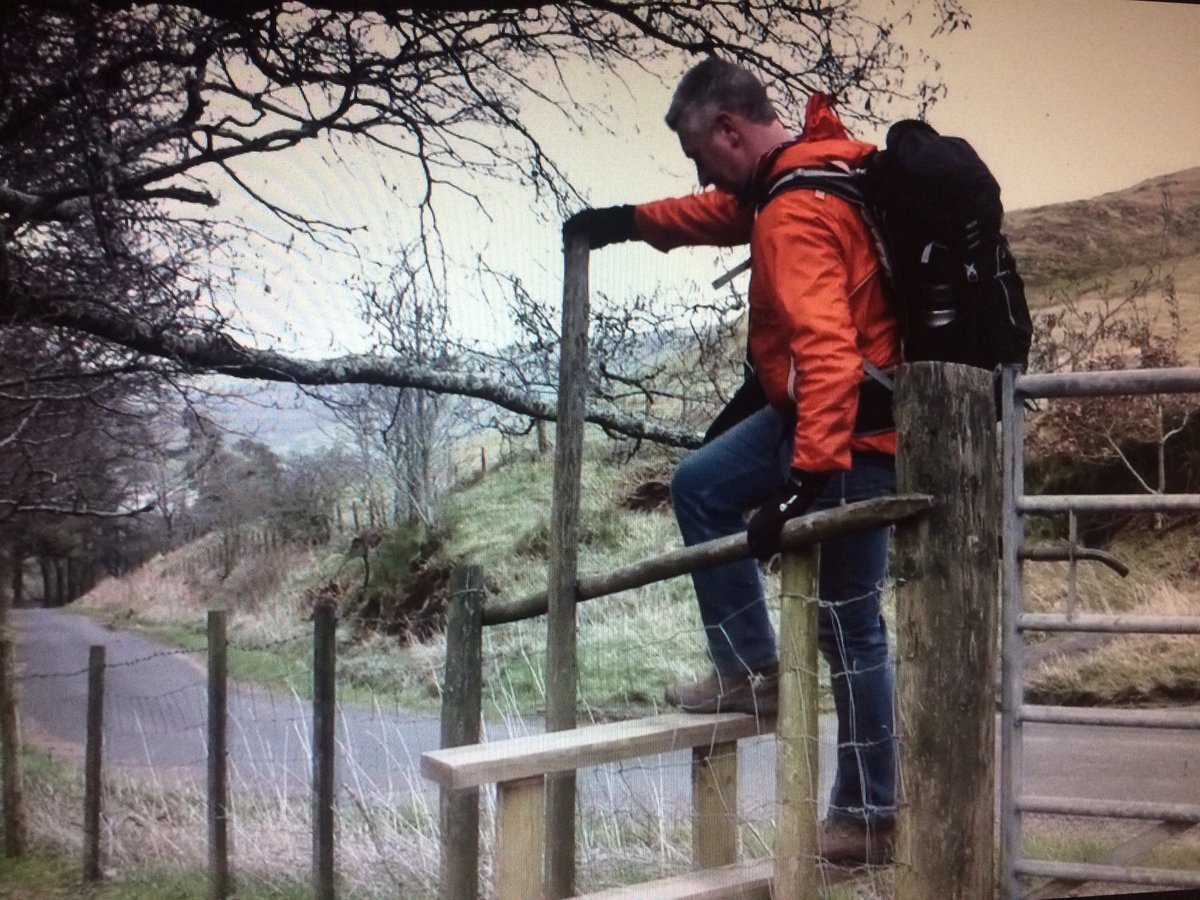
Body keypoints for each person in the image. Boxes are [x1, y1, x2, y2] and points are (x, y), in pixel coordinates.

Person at [564, 57, 900, 866]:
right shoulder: (801, 175)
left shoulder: (794, 213)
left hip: (851, 433)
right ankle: (753, 666)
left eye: (697, 151)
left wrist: (806, 485)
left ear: (729, 130)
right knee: (700, 485)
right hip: (819, 419)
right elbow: (712, 212)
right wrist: (623, 222)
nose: (697, 171)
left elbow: (829, 355)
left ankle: (868, 816)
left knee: (846, 625)